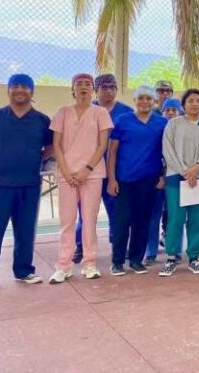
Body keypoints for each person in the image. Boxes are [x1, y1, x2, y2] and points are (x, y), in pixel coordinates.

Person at [0, 75, 52, 292]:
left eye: (25, 86)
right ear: (8, 90)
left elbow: (52, 146)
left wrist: (38, 160)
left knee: (25, 230)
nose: (20, 90)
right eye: (15, 86)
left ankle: (24, 270)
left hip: (29, 184)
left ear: (32, 92)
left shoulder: (42, 121)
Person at [49, 73, 113, 283]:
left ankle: (89, 263)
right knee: (67, 221)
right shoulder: (62, 112)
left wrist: (87, 169)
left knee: (89, 220)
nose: (83, 87)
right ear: (73, 89)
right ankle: (63, 266)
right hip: (66, 174)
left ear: (93, 89)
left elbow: (102, 145)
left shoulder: (100, 112)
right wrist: (66, 171)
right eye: (79, 84)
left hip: (92, 174)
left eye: (87, 84)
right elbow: (56, 145)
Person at [72, 73, 133, 264]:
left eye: (112, 88)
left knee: (117, 212)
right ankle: (81, 246)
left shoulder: (126, 112)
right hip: (90, 171)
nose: (109, 91)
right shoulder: (86, 110)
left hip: (114, 172)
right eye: (104, 88)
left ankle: (118, 246)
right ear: (96, 90)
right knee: (86, 212)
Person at [107, 87, 167, 275]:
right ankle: (117, 262)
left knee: (143, 221)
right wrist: (111, 179)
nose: (144, 101)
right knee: (122, 222)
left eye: (149, 98)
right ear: (134, 101)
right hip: (124, 181)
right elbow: (112, 152)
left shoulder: (162, 123)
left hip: (149, 181)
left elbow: (167, 152)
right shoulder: (122, 120)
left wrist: (163, 176)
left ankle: (136, 260)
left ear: (154, 102)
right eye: (141, 98)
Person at [160, 89, 199, 276]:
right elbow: (168, 150)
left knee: (197, 219)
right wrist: (185, 171)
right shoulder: (174, 123)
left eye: (198, 100)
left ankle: (194, 257)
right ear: (183, 104)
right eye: (190, 100)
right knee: (176, 218)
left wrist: (197, 167)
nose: (194, 104)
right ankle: (171, 257)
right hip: (176, 177)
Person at [145, 97, 184, 264]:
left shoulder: (184, 130)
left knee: (176, 215)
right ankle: (151, 251)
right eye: (167, 110)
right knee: (153, 215)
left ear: (180, 112)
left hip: (177, 179)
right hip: (157, 180)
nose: (170, 113)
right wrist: (159, 175)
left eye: (174, 110)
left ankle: (175, 250)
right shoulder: (155, 129)